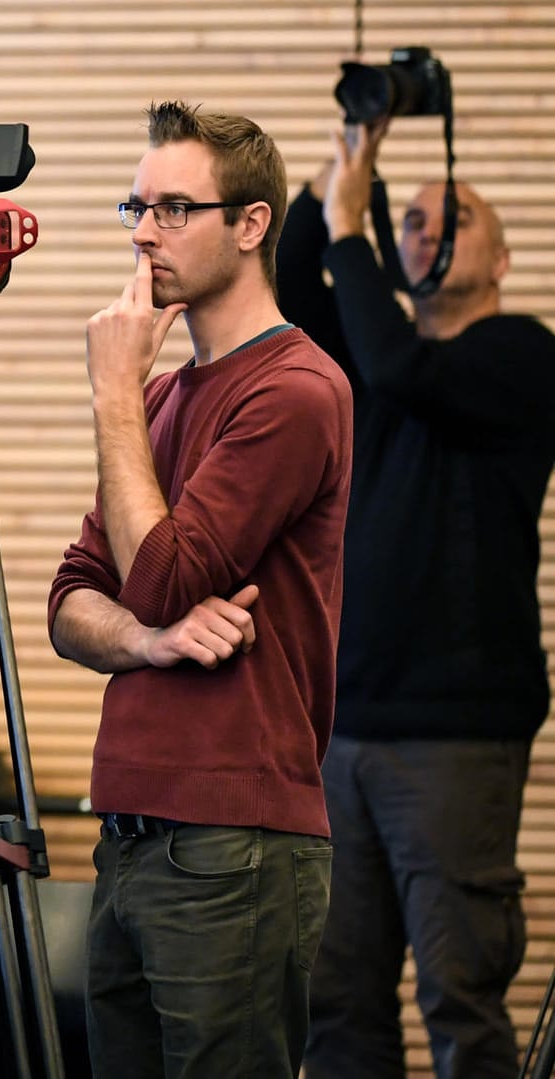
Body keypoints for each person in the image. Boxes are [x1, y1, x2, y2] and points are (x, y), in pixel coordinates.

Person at [47, 101, 352, 1076]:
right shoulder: (165, 397)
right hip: (130, 831)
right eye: (138, 205)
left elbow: (163, 572)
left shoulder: (296, 391)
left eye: (175, 208)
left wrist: (109, 393)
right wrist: (146, 642)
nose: (144, 232)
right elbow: (74, 595)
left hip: (236, 842)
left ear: (251, 224)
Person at [279, 119, 555, 1079]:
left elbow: (407, 367)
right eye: (415, 218)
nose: (429, 234)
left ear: (504, 258)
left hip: (456, 734)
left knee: (459, 992)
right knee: (338, 999)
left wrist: (356, 227)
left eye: (457, 220)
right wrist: (331, 186)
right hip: (342, 724)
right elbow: (288, 291)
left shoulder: (523, 356)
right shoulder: (365, 361)